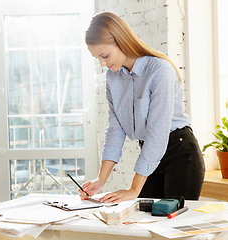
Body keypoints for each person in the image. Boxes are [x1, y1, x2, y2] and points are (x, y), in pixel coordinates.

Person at [79, 11, 205, 203]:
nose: (103, 64)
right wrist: (101, 179)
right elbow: (115, 129)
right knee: (145, 222)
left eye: (104, 55)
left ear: (120, 40)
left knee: (172, 227)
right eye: (98, 58)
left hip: (180, 154)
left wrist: (134, 189)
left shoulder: (160, 71)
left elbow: (157, 133)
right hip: (150, 155)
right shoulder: (113, 78)